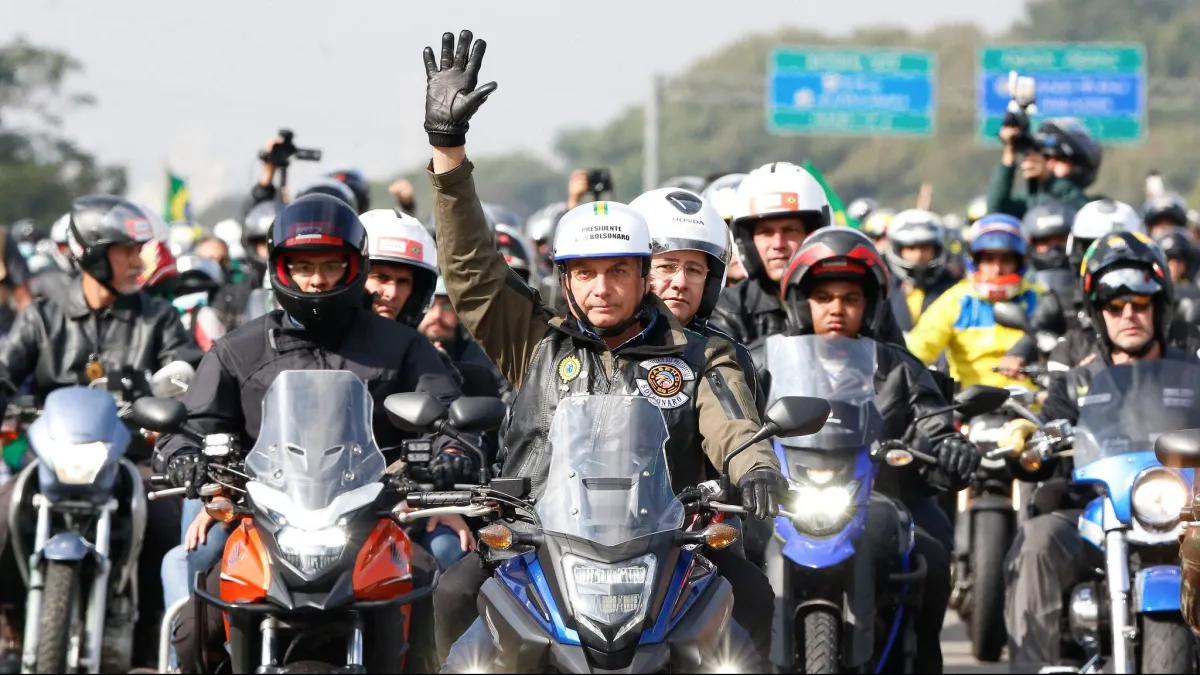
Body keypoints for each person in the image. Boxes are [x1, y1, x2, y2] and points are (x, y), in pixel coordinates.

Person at [419, 30, 785, 667]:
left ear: (645, 275)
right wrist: (448, 153)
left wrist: (756, 469)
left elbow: (735, 425)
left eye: (619, 271)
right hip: (534, 544)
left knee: (753, 593)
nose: (602, 287)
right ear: (565, 279)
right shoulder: (533, 339)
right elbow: (473, 273)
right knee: (452, 591)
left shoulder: (700, 353)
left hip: (674, 548)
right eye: (585, 273)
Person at [158, 194, 467, 672]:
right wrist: (184, 455)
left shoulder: (402, 346)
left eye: (330, 265)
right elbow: (192, 424)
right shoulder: (237, 349)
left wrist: (449, 453)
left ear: (354, 267)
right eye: (302, 266)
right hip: (259, 519)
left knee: (436, 592)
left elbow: (446, 415)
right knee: (194, 615)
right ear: (279, 269)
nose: (317, 279)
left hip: (376, 520)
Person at [0, 195, 199, 667]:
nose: (139, 259)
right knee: (2, 514)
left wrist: (169, 388)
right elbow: (7, 367)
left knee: (172, 528)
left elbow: (187, 365)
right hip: (49, 459)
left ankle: (157, 641)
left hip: (130, 461)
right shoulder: (43, 317)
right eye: (126, 249)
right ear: (91, 252)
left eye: (140, 248)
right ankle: (9, 622)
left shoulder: (159, 317)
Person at [778, 227, 980, 673]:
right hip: (788, 497)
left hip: (885, 495)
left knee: (929, 554)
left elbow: (932, 420)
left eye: (850, 298)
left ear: (868, 305)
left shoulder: (899, 367)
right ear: (800, 303)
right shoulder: (763, 363)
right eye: (823, 297)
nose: (836, 308)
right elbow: (736, 424)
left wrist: (949, 447)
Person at [1002, 231, 1197, 672]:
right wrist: (1026, 440)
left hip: (1185, 512)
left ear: (1159, 306)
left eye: (1140, 304)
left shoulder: (1193, 371)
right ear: (1098, 313)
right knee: (1036, 540)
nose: (1128, 314)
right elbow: (1041, 433)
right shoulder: (1076, 380)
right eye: (1115, 306)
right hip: (1098, 515)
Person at [906, 214, 1064, 388]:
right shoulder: (955, 301)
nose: (996, 269)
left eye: (1006, 259)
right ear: (975, 261)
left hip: (1035, 408)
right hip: (971, 408)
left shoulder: (1041, 297)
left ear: (1020, 262)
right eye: (988, 259)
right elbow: (915, 353)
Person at [988, 117, 1101, 219]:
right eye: (1045, 157)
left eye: (1059, 159)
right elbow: (996, 212)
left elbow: (1081, 208)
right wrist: (1009, 152)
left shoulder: (1092, 206)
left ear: (1079, 166)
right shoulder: (1028, 202)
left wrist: (1049, 179)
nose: (1049, 165)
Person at [886, 209, 958, 330]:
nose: (918, 255)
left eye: (925, 247)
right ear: (898, 250)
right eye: (911, 247)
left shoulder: (954, 290)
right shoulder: (885, 291)